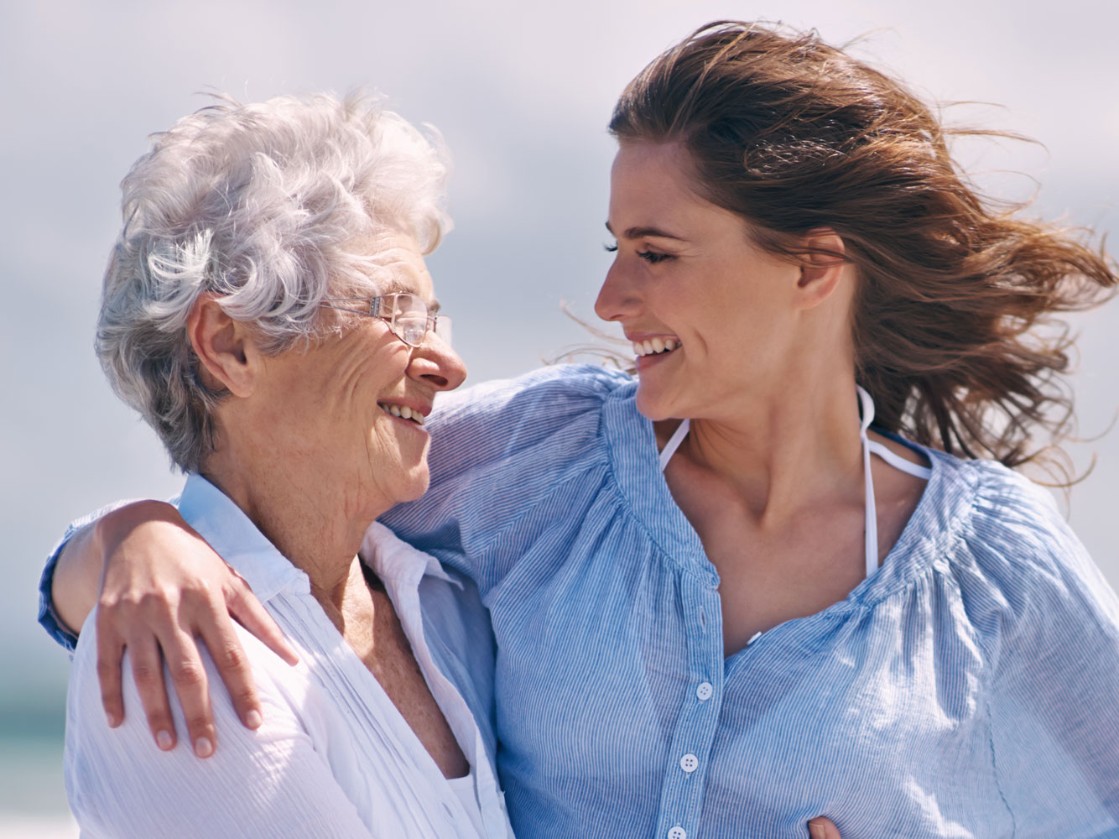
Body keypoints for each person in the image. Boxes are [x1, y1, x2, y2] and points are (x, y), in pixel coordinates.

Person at [41, 21, 1119, 838]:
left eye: (655, 251)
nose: (608, 297)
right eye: (612, 244)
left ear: (812, 266)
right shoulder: (534, 459)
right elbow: (262, 488)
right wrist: (128, 533)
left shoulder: (993, 565)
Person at [44, 92, 515, 837]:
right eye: (391, 312)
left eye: (436, 320)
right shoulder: (173, 646)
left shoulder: (443, 596)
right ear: (229, 345)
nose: (449, 366)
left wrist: (116, 532)